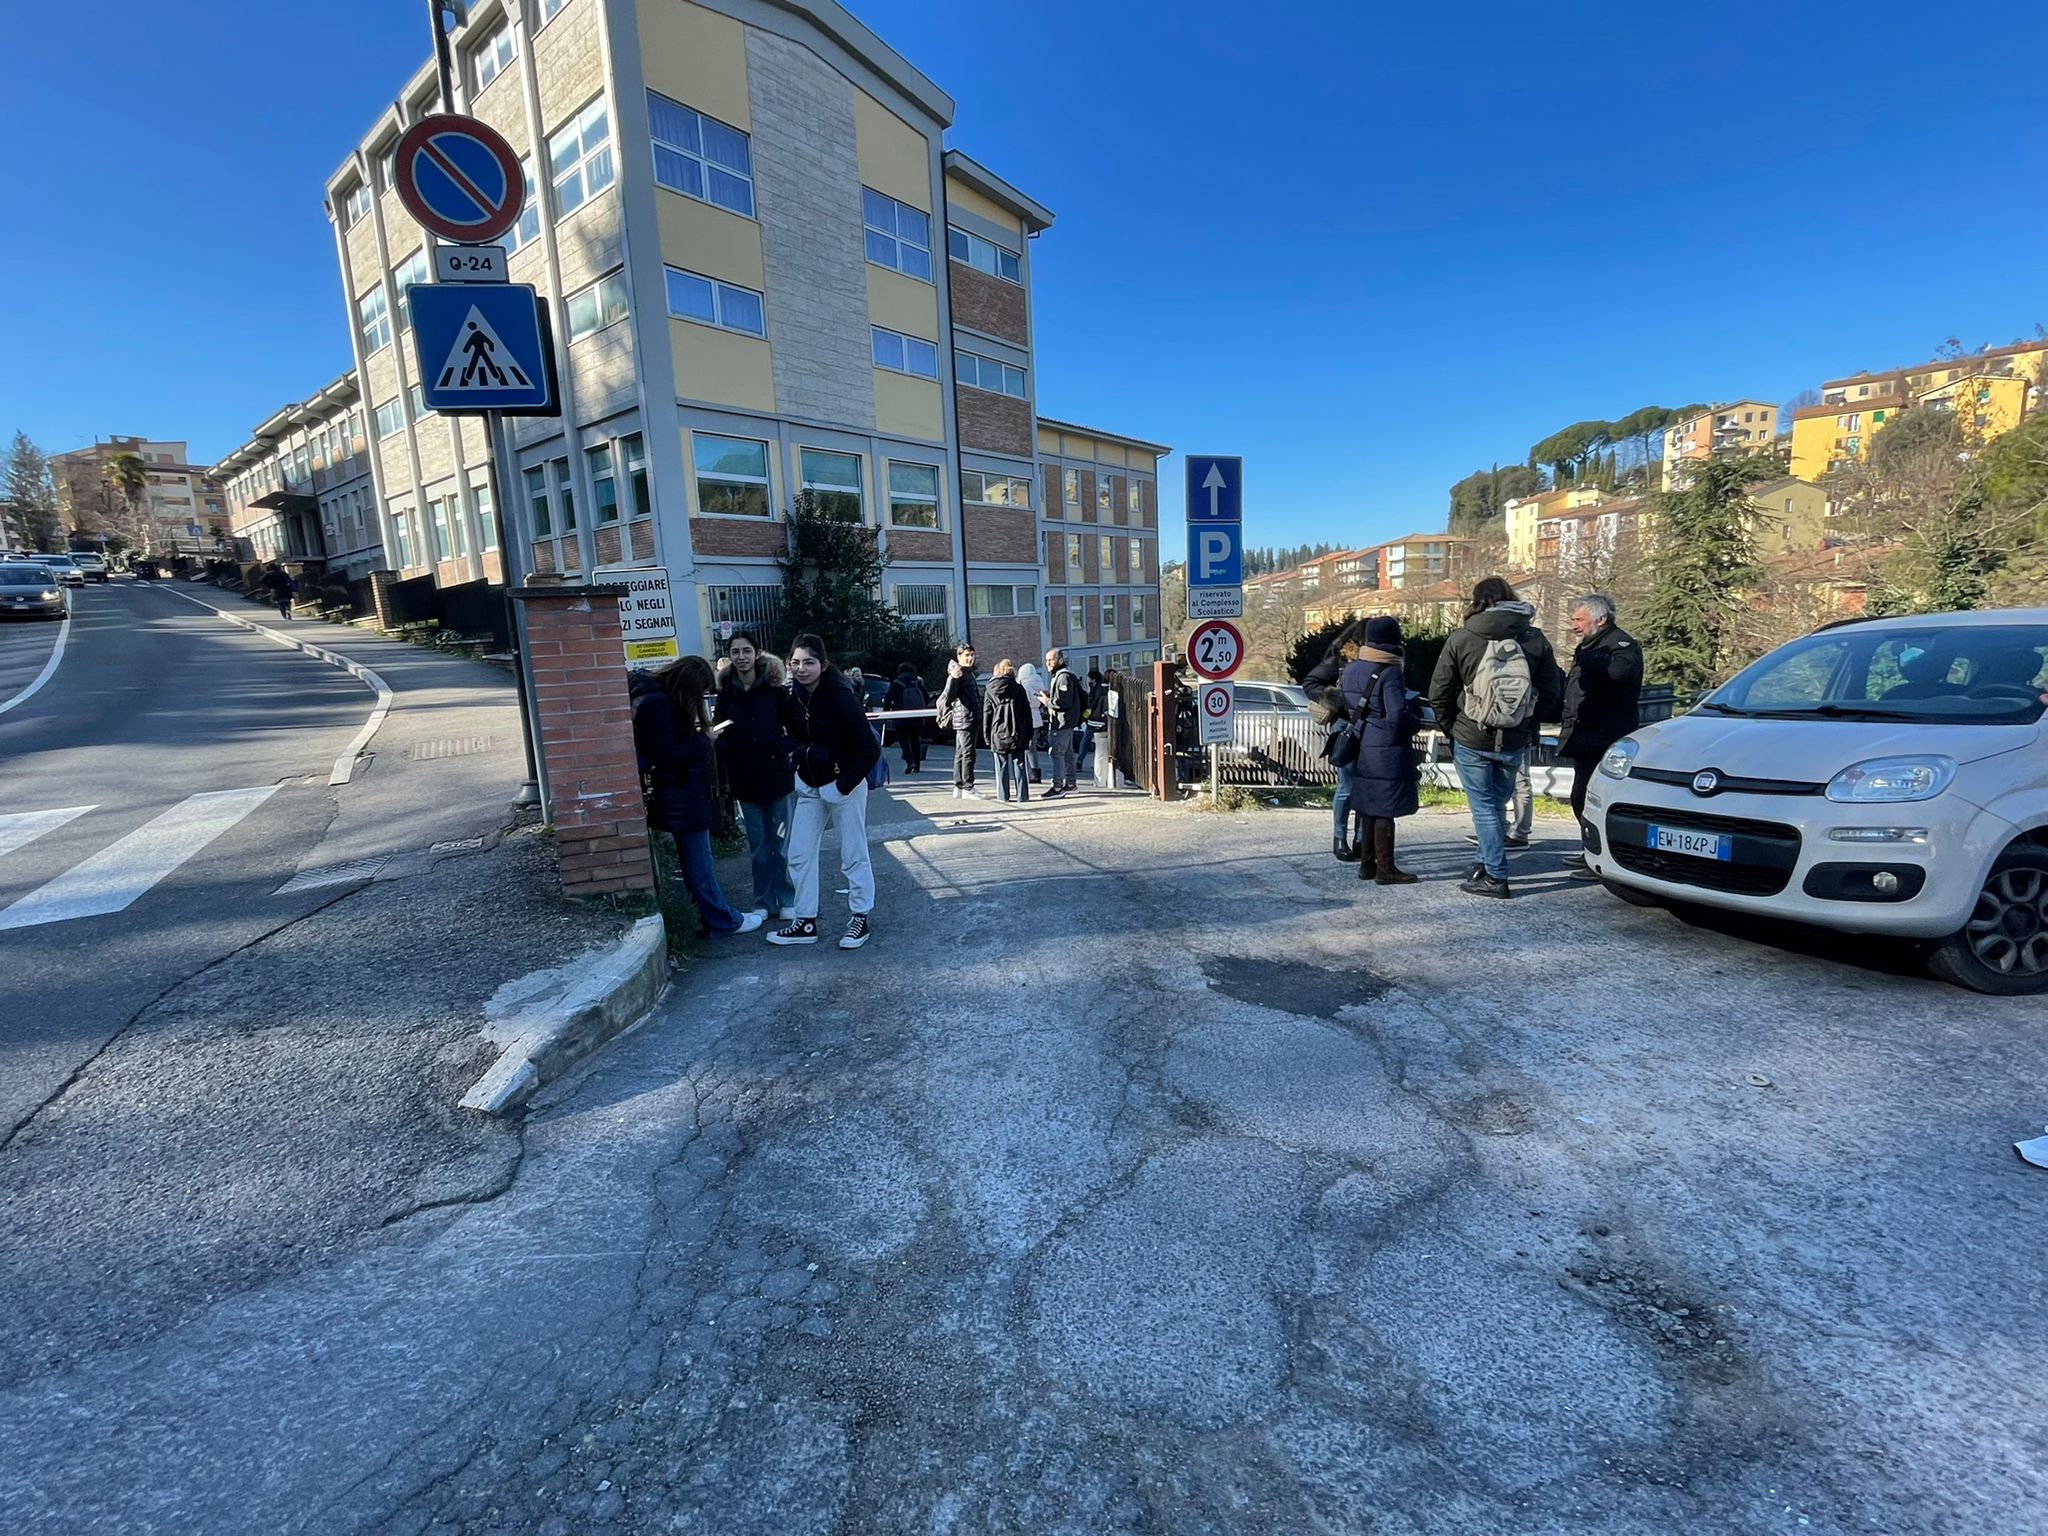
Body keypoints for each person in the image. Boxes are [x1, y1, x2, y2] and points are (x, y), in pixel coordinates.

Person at [1428, 576, 1564, 899]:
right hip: (1514, 739)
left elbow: (1438, 692)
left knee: (1484, 808)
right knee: (1496, 804)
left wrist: (1452, 728)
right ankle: (1483, 863)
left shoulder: (1463, 637)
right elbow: (1551, 692)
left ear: (1478, 602)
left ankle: (1496, 876)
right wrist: (1529, 726)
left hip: (1471, 737)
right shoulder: (1534, 639)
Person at [632, 656, 763, 937]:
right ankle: (722, 920)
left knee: (697, 861)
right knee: (699, 862)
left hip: (677, 792)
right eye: (700, 691)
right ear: (687, 684)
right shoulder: (659, 704)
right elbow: (667, 755)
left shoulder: (652, 698)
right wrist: (705, 740)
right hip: (681, 793)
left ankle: (717, 917)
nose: (700, 698)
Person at [768, 635, 880, 950]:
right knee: (799, 854)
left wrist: (843, 785)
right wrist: (788, 754)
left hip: (844, 786)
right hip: (809, 786)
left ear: (823, 664)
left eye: (809, 662)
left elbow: (869, 749)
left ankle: (860, 916)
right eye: (796, 662)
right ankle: (805, 921)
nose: (801, 669)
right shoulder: (795, 695)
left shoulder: (841, 696)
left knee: (853, 854)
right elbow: (793, 733)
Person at [1557, 593, 1642, 879]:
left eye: (1579, 620)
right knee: (1580, 796)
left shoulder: (1621, 645)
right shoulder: (1592, 646)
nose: (1574, 626)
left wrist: (1589, 659)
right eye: (1573, 620)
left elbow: (1616, 675)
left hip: (1606, 736)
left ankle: (1601, 859)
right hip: (1585, 732)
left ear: (1601, 619)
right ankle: (1590, 852)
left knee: (1594, 798)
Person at [712, 630, 795, 920]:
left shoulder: (776, 691)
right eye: (735, 652)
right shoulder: (726, 695)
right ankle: (763, 902)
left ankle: (787, 899)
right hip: (744, 780)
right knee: (758, 848)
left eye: (746, 651)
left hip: (776, 778)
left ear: (757, 653)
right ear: (729, 657)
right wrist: (728, 748)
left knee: (782, 846)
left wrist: (777, 749)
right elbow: (716, 732)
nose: (741, 657)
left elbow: (796, 730)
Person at [1340, 616, 1423, 886]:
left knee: (1370, 806)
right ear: (1394, 640)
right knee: (1386, 808)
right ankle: (1386, 869)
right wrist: (1415, 723)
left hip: (1363, 742)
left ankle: (1367, 866)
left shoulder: (1351, 669)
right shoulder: (1389, 671)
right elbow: (1397, 714)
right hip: (1387, 746)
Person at [1303, 619, 1368, 862]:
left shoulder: (1380, 660)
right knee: (1348, 785)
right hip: (1344, 727)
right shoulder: (1339, 661)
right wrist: (1337, 698)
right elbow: (1309, 683)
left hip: (1369, 728)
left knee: (1364, 785)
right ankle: (1340, 837)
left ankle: (1361, 838)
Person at [934, 642, 983, 799]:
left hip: (967, 719)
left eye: (972, 655)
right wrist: (954, 679)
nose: (970, 658)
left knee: (961, 753)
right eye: (966, 655)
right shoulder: (958, 674)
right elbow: (950, 696)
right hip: (965, 719)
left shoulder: (968, 674)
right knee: (967, 753)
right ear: (959, 656)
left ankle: (959, 786)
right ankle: (967, 786)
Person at [982, 660, 1034, 803]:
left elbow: (987, 714)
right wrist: (1029, 733)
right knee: (1020, 765)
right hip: (1017, 731)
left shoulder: (990, 689)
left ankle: (1003, 796)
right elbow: (1026, 713)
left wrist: (986, 736)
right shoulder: (1019, 689)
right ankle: (1022, 796)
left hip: (998, 732)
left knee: (1001, 767)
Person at [1039, 647, 1086, 798]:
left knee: (1057, 753)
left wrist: (1047, 701)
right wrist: (1050, 696)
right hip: (1067, 722)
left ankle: (1057, 787)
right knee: (1068, 754)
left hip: (1061, 722)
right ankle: (1071, 784)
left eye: (1051, 660)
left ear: (1060, 660)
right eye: (1046, 660)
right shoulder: (1065, 675)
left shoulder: (1063, 677)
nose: (1048, 663)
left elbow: (1063, 702)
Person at [882, 662, 929, 774]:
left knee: (903, 740)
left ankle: (910, 761)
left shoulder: (897, 683)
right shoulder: (917, 682)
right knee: (915, 740)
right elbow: (926, 697)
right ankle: (917, 765)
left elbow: (888, 699)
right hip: (917, 716)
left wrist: (886, 714)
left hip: (901, 716)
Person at [1015, 660, 1050, 784]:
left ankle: (1029, 772)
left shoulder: (1024, 685)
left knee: (1025, 747)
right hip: (1036, 717)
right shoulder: (1039, 683)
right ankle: (1035, 771)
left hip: (1026, 718)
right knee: (1032, 746)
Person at [1093, 669, 1123, 789]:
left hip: (1098, 724)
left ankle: (1100, 780)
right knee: (1114, 753)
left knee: (1100, 753)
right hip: (1111, 725)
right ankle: (1113, 780)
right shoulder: (1116, 691)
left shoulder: (1097, 689)